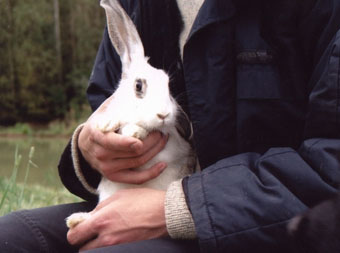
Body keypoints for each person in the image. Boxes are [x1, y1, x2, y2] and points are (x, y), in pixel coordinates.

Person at [1, 0, 340, 252]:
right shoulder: (136, 5)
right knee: (11, 237)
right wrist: (89, 151)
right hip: (143, 201)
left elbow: (330, 164)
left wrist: (178, 209)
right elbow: (110, 99)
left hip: (269, 223)